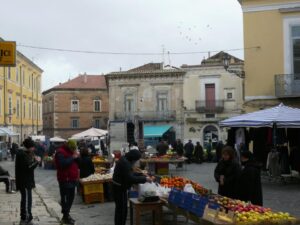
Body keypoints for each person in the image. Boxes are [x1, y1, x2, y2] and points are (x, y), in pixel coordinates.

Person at [112, 150, 153, 225]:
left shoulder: (125, 159)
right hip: (119, 188)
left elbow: (129, 174)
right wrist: (145, 179)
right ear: (133, 158)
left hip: (119, 186)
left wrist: (141, 174)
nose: (135, 162)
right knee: (121, 210)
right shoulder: (125, 163)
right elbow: (130, 178)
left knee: (121, 209)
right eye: (136, 160)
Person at [15, 137, 40, 225]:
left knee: (27, 200)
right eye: (33, 147)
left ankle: (27, 216)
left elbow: (28, 165)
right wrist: (36, 162)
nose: (34, 149)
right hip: (24, 182)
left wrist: (33, 160)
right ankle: (25, 218)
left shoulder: (25, 153)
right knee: (26, 200)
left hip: (26, 181)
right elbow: (28, 168)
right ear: (29, 147)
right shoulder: (22, 154)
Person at [55, 140, 79, 225]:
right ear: (69, 146)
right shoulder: (60, 152)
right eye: (73, 148)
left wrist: (77, 157)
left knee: (71, 198)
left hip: (72, 179)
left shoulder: (70, 152)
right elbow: (62, 164)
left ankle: (66, 215)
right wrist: (73, 157)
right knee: (65, 199)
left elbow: (76, 163)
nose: (73, 150)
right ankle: (65, 216)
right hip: (65, 179)